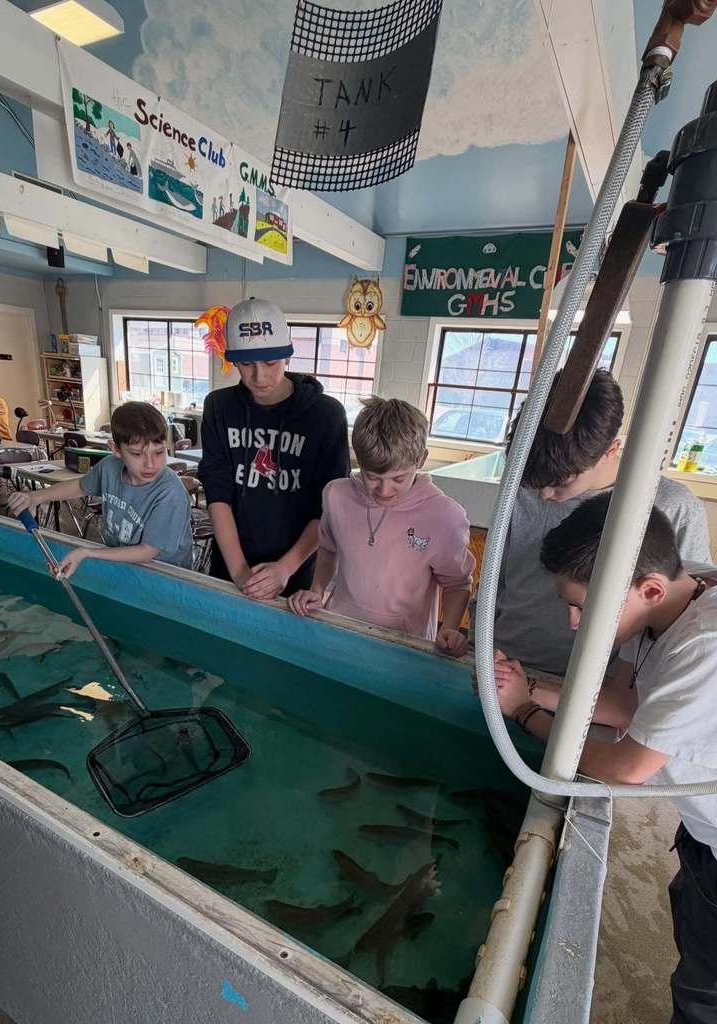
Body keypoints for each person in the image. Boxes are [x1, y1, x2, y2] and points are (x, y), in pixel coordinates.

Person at [494, 492, 717, 1024]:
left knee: (702, 994)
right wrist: (530, 687)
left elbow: (626, 768)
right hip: (701, 831)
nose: (575, 623)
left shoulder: (703, 646)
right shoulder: (668, 600)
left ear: (650, 588)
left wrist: (525, 711)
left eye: (583, 607)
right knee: (693, 923)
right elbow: (624, 702)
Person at [488, 370, 710, 676]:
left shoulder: (671, 507)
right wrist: (479, 641)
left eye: (561, 483)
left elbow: (681, 614)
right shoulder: (523, 484)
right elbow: (494, 579)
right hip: (503, 663)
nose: (544, 494)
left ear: (610, 451)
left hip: (595, 691)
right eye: (535, 482)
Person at [289, 397, 475, 655]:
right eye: (372, 477)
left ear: (421, 460)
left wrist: (451, 627)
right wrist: (317, 591)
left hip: (404, 647)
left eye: (398, 478)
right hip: (339, 629)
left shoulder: (445, 516)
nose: (385, 490)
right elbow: (328, 547)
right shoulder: (336, 495)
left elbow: (457, 582)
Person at [198, 297, 349, 601]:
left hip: (296, 571)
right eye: (246, 364)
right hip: (230, 565)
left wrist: (285, 568)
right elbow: (218, 494)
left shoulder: (325, 415)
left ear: (287, 356)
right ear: (233, 361)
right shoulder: (219, 407)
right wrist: (240, 572)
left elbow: (328, 507)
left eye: (270, 363)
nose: (259, 376)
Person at [9, 401, 192, 576]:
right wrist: (36, 497)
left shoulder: (170, 492)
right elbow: (80, 486)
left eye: (159, 452)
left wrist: (88, 552)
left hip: (166, 575)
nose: (150, 464)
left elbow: (147, 552)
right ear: (115, 449)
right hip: (124, 563)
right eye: (137, 454)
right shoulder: (109, 467)